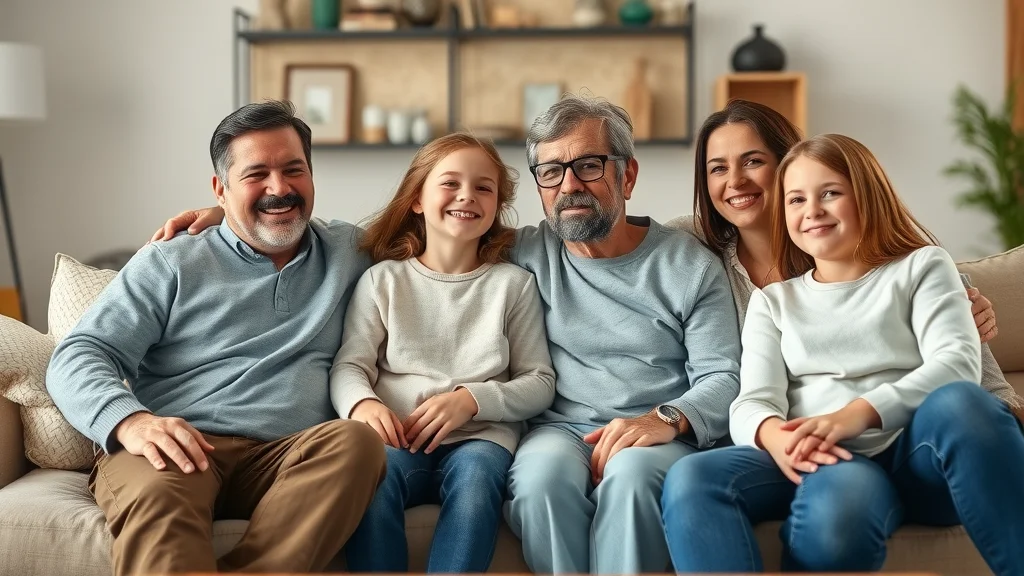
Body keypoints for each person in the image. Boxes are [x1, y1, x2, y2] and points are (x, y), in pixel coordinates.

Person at [152, 94, 743, 575]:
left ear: (627, 174)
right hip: (556, 433)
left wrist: (665, 419)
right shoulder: (528, 248)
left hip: (638, 427)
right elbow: (434, 239)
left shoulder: (684, 263)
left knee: (627, 478)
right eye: (552, 172)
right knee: (535, 486)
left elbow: (722, 375)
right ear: (538, 186)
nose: (570, 186)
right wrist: (228, 214)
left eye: (589, 166)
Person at [46, 100, 387, 576]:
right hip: (178, 443)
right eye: (255, 176)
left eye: (294, 170)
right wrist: (133, 423)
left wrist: (238, 209)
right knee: (159, 493)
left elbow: (446, 228)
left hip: (288, 454)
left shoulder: (352, 250)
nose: (279, 188)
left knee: (357, 443)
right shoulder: (171, 260)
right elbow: (80, 354)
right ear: (219, 187)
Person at [660, 133, 1024, 574]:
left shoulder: (924, 266)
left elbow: (957, 365)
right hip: (829, 459)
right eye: (795, 199)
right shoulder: (774, 302)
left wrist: (856, 414)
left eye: (829, 193)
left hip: (920, 453)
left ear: (867, 197)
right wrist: (775, 435)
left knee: (965, 404)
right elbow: (752, 400)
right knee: (693, 477)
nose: (811, 210)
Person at [665, 98, 1022, 412]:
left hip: (889, 438)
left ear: (790, 164)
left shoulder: (891, 261)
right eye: (718, 168)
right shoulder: (690, 242)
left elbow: (989, 390)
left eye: (753, 161)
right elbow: (632, 241)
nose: (736, 181)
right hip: (767, 441)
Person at [332, 133, 556, 573]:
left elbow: (539, 382)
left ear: (496, 206)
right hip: (396, 437)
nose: (466, 196)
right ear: (417, 199)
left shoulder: (513, 285)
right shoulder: (382, 282)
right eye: (450, 183)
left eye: (483, 187)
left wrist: (472, 400)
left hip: (481, 439)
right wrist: (363, 403)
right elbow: (349, 365)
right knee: (370, 488)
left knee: (475, 488)